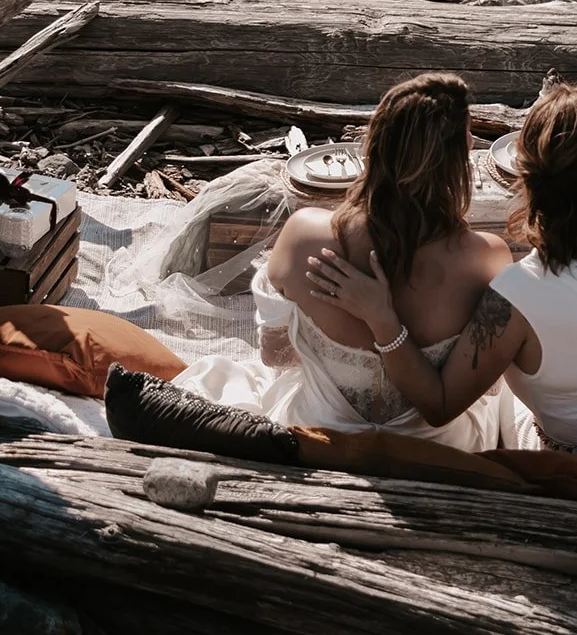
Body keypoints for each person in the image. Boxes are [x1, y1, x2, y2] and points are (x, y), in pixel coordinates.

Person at [307, 82, 577, 459]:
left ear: (527, 171)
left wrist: (383, 320)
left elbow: (440, 405)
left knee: (499, 403)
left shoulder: (514, 295)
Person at [172, 72, 514, 451]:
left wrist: (344, 358)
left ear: (374, 146)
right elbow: (484, 384)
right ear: (457, 158)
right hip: (440, 447)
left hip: (320, 431)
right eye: (469, 137)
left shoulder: (304, 235)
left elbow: (274, 355)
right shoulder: (486, 257)